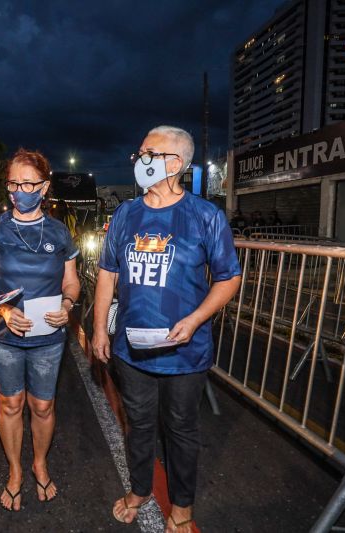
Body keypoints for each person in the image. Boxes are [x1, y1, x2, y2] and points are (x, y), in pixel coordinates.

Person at [91, 126, 241, 532]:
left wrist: (194, 320)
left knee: (181, 428)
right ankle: (140, 490)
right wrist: (100, 330)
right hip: (131, 349)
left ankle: (183, 505)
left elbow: (228, 278)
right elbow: (107, 273)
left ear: (174, 164)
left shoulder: (206, 216)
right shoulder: (126, 214)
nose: (139, 159)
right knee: (138, 424)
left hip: (185, 351)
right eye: (139, 152)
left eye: (147, 153)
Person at [0, 148, 81, 511]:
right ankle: (14, 471)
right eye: (13, 183)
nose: (20, 190)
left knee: (42, 406)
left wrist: (67, 306)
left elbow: (72, 282)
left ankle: (39, 463)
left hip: (48, 334)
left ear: (44, 187)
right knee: (10, 403)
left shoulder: (60, 232)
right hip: (4, 334)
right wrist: (2, 309)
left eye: (28, 183)